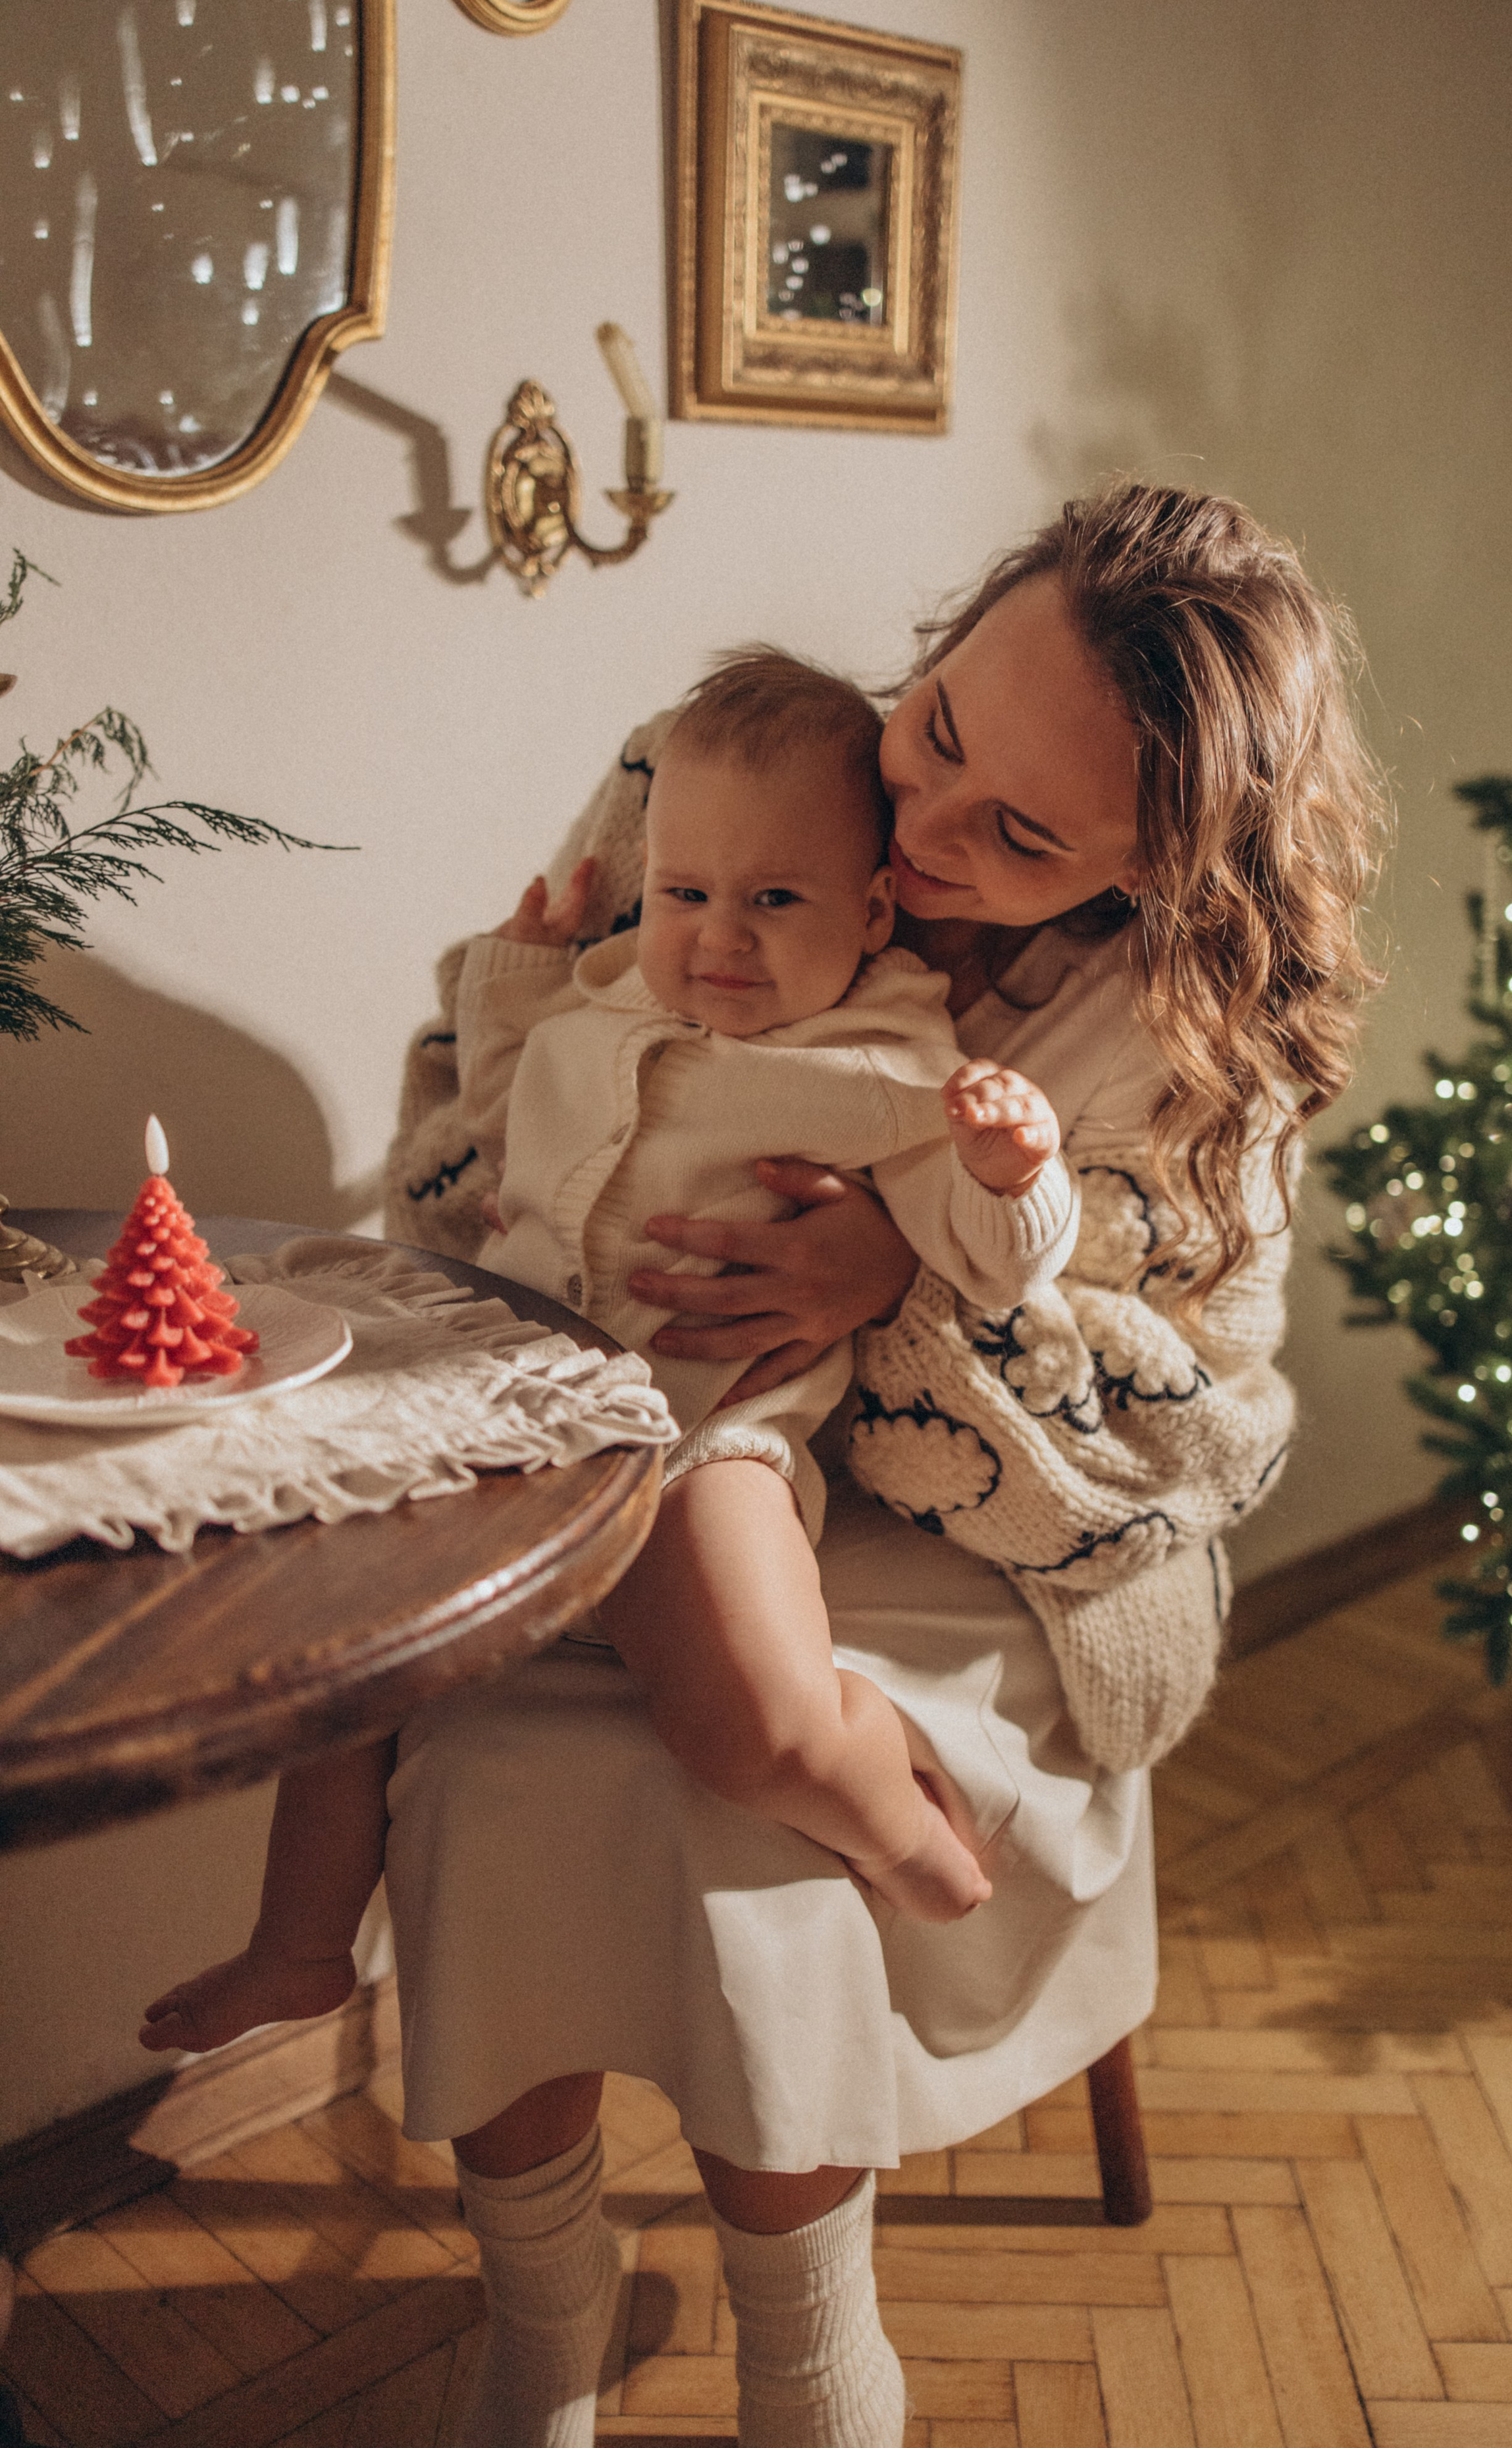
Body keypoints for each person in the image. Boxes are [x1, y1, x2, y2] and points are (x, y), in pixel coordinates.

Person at [378, 480, 1381, 2448]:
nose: (917, 840)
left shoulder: (1196, 1043)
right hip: (651, 1413)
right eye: (935, 733)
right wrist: (519, 1017)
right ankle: (542, 2289)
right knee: (473, 1741)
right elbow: (487, 1132)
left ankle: (814, 2339)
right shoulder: (734, 767)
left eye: (1019, 836)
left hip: (988, 1538)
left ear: (1159, 876)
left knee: (753, 1812)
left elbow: (1183, 1420)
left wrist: (906, 1268)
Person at [138, 654, 1079, 2058]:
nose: (718, 939)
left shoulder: (886, 1064)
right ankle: (298, 1947)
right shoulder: (603, 1003)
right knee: (346, 1650)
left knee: (744, 1718)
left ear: (872, 908)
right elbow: (499, 1121)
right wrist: (520, 975)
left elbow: (992, 1259)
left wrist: (1013, 1168)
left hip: (707, 1430)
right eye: (687, 894)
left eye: (775, 901)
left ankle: (901, 1826)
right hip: (512, 1396)